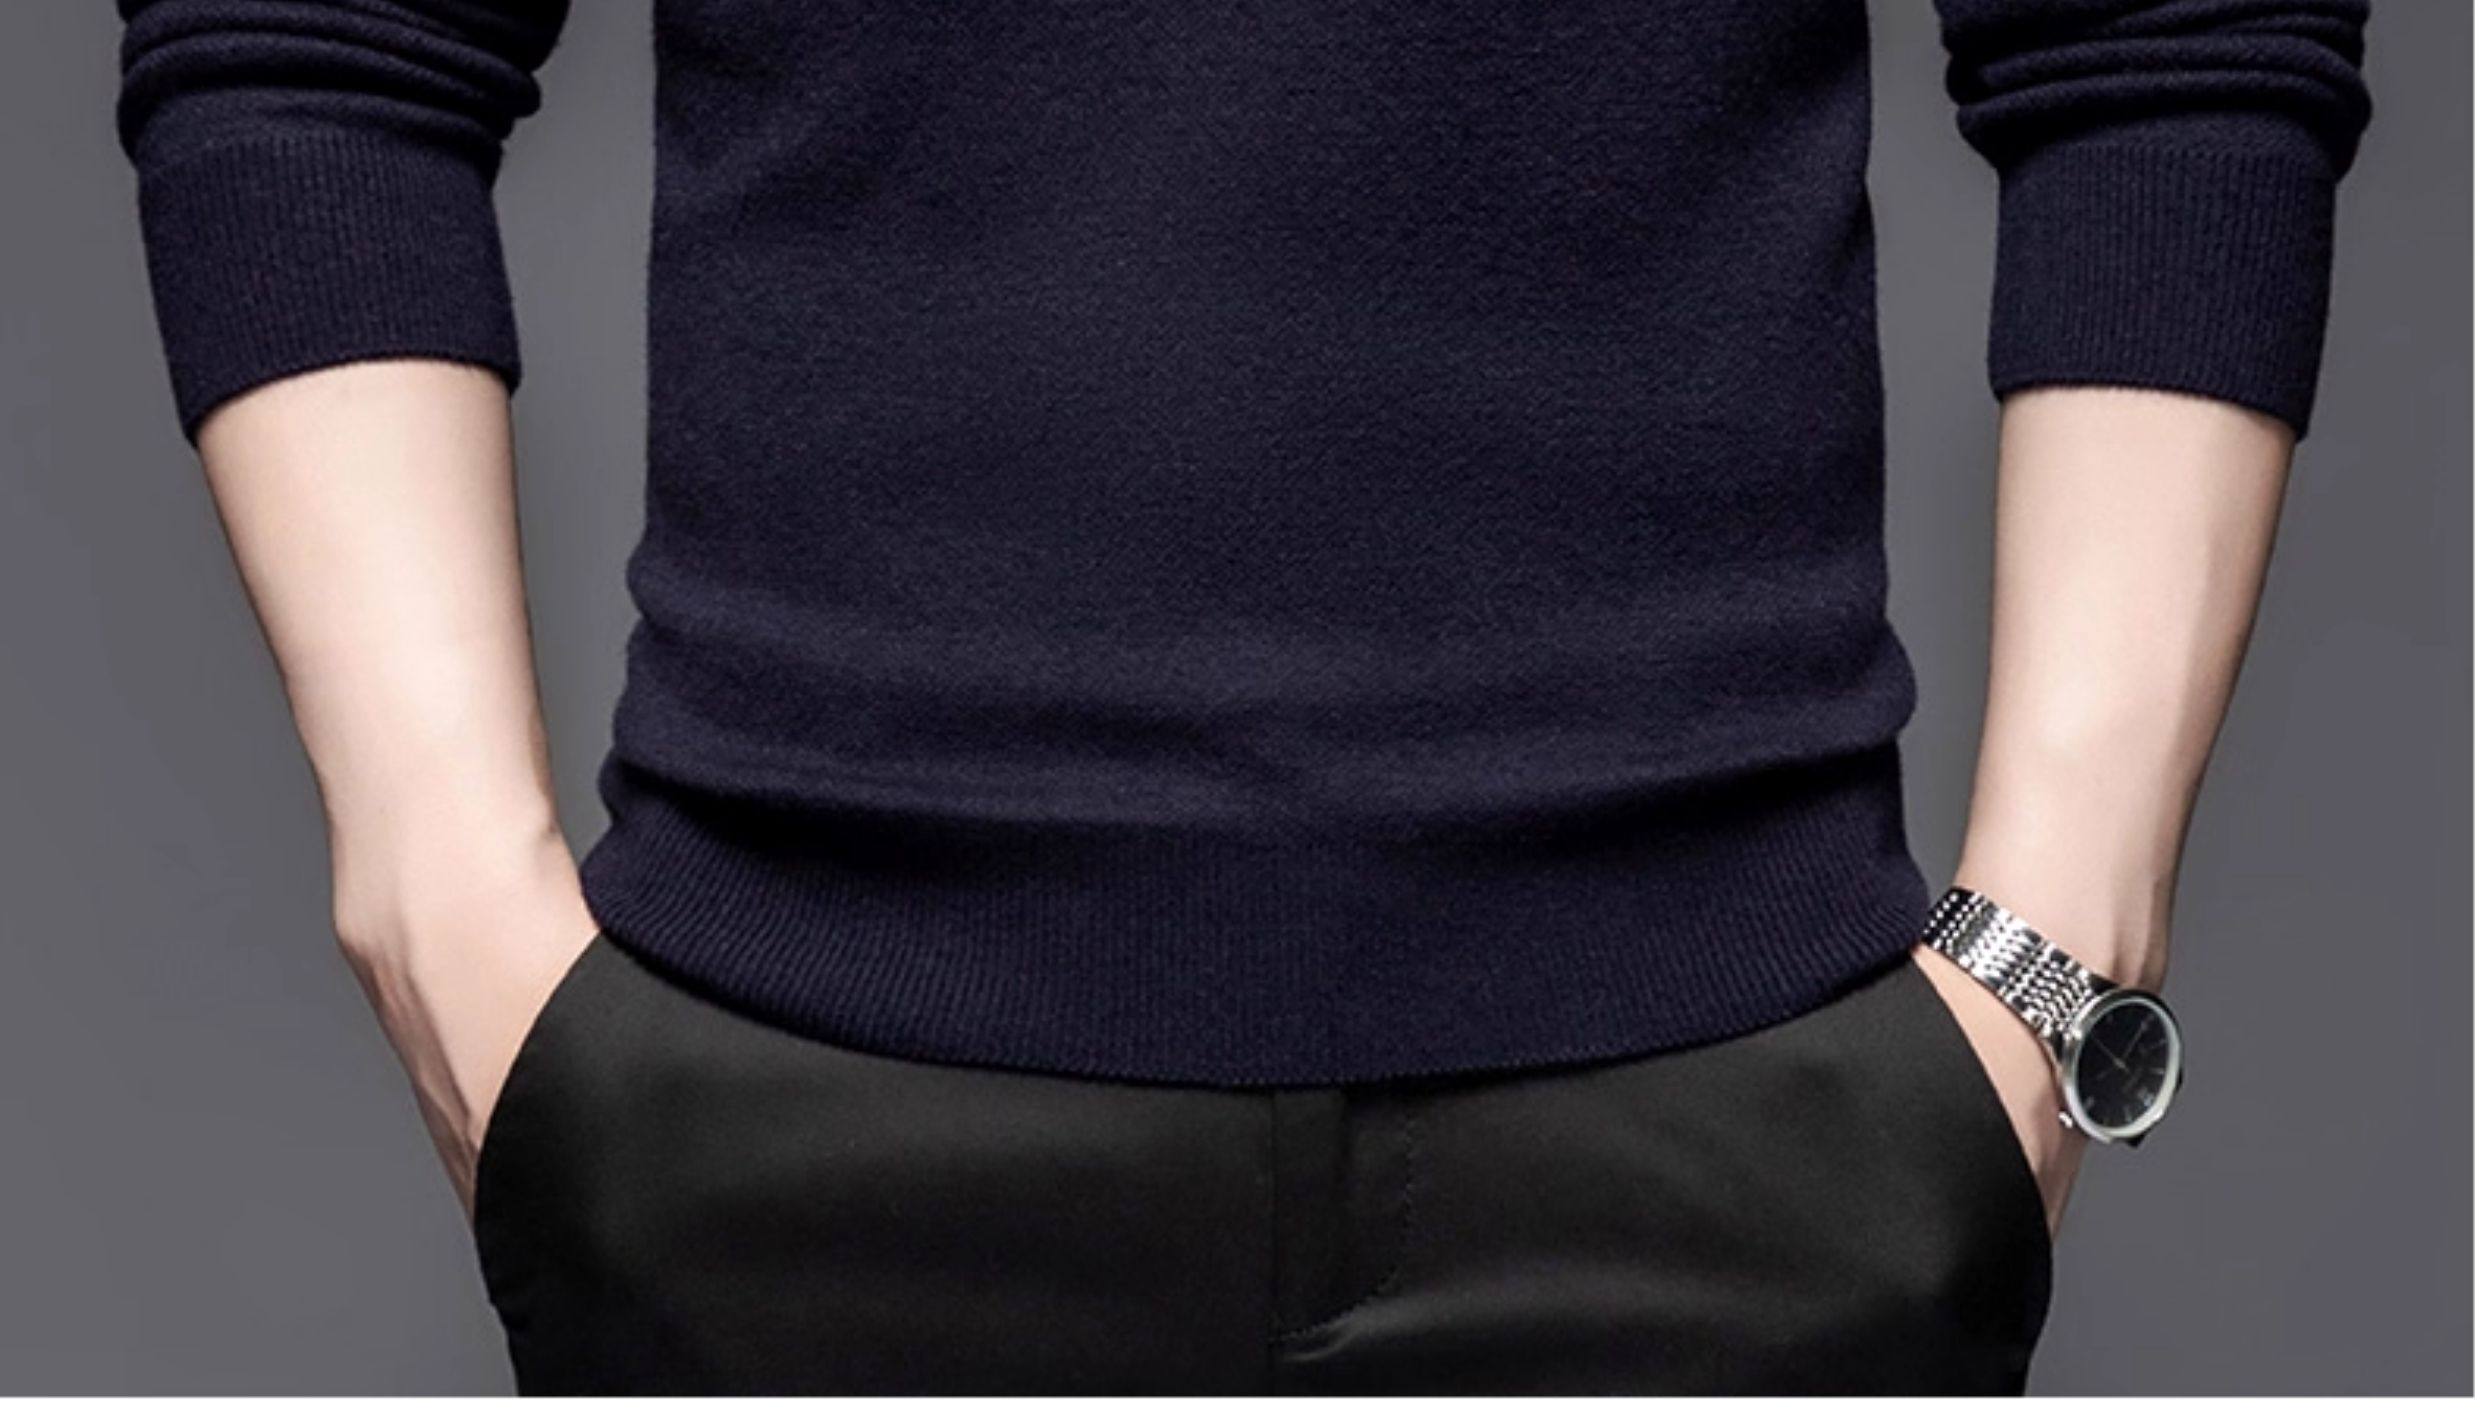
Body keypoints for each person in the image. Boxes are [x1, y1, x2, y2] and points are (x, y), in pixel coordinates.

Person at [112, 0, 2372, 1396]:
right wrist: (456, 915)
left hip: (1752, 1124)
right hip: (781, 1109)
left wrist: (2047, 968)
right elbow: (310, 29)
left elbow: (2170, 40)